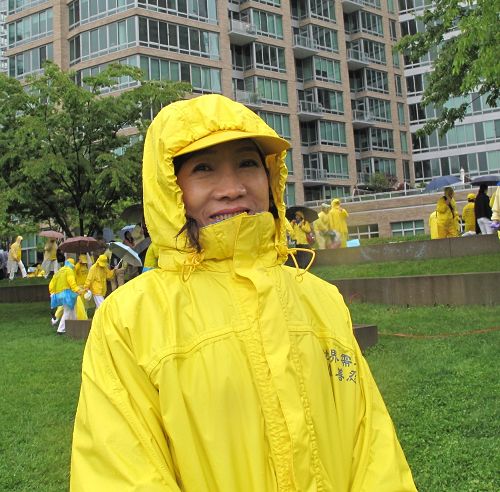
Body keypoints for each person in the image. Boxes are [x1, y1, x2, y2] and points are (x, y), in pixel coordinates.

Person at [71, 94, 416, 491]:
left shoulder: (321, 300)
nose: (232, 188)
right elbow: (120, 471)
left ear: (270, 177)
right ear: (169, 187)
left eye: (247, 164)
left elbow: (374, 449)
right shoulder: (129, 321)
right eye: (203, 168)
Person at [49, 258, 82, 334]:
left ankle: (75, 327)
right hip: (67, 295)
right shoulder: (69, 271)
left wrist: (52, 292)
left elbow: (52, 283)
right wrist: (78, 290)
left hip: (59, 294)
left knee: (72, 310)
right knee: (67, 311)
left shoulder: (59, 271)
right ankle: (60, 330)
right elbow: (72, 283)